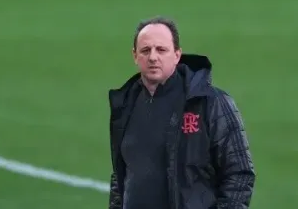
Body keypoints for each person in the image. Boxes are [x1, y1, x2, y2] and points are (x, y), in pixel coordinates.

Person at [108, 17, 255, 209]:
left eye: (161, 50)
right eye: (145, 50)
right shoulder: (125, 105)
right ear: (135, 56)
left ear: (177, 55)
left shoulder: (210, 103)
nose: (153, 57)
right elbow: (121, 176)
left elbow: (240, 173)